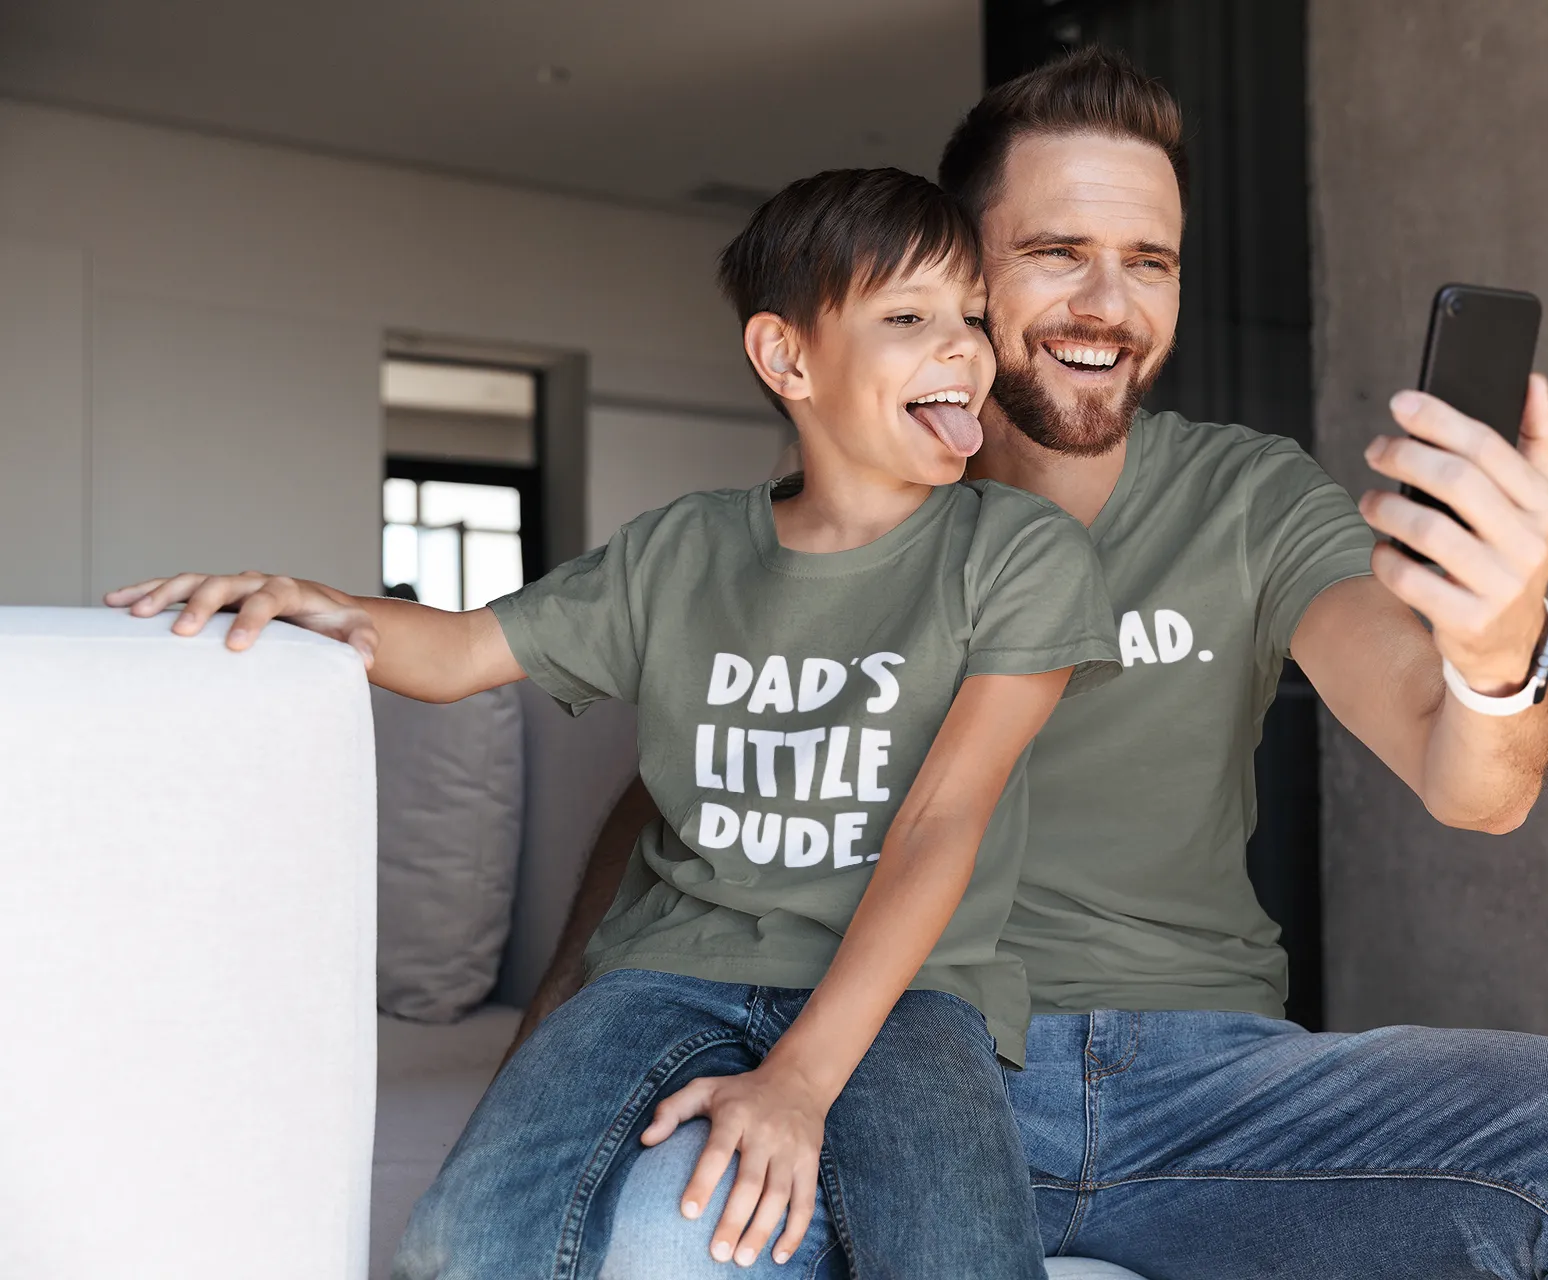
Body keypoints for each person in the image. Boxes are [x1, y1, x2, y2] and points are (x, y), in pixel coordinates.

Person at [522, 49, 1548, 1279]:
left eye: (1150, 262)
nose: (1109, 305)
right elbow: (680, 796)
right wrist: (549, 1055)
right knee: (664, 1242)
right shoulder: (828, 530)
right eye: (1058, 252)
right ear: (958, 271)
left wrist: (1497, 646)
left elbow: (1474, 784)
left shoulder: (1248, 495)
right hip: (900, 1062)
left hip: (1213, 1091)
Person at [106, 167, 1122, 1279]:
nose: (965, 348)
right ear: (787, 358)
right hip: (664, 965)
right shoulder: (680, 550)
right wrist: (323, 602)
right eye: (909, 317)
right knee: (457, 1241)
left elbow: (942, 821)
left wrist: (798, 1080)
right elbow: (457, 652)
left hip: (914, 991)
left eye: (972, 317)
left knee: (956, 1254)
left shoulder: (1020, 553)